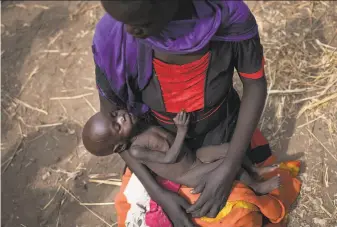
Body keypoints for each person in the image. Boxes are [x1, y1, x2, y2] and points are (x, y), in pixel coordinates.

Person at [88, 0, 270, 225]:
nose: (127, 30)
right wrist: (159, 194)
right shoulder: (113, 38)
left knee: (242, 216)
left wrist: (229, 167)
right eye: (121, 19)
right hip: (164, 159)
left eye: (139, 20)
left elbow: (255, 84)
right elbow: (117, 134)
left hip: (221, 134)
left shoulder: (226, 16)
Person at [83, 110, 281, 195]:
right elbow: (170, 157)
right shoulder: (136, 150)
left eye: (115, 114)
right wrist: (182, 130)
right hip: (190, 173)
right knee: (229, 166)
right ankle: (256, 187)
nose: (122, 117)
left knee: (229, 149)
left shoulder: (141, 126)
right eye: (117, 126)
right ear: (119, 147)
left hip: (194, 157)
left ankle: (255, 171)